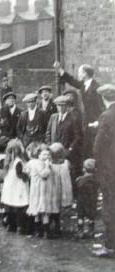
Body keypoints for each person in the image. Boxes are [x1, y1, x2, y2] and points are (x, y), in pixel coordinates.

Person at [54, 61, 104, 158]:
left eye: (80, 72)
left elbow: (101, 107)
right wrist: (60, 69)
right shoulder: (83, 84)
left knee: (94, 146)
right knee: (86, 146)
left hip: (94, 123)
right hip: (85, 122)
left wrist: (98, 122)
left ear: (85, 73)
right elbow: (72, 80)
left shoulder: (96, 87)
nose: (78, 74)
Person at [92, 84, 115, 257]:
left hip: (110, 170)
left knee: (109, 206)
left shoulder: (106, 116)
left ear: (103, 98)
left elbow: (97, 147)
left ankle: (110, 246)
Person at [45, 95, 83, 183]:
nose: (60, 108)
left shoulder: (74, 119)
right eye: (58, 105)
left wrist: (70, 149)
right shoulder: (53, 117)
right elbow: (48, 133)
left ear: (67, 106)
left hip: (66, 152)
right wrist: (49, 146)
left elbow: (78, 137)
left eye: (63, 105)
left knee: (66, 175)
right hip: (53, 152)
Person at [1, 139, 29, 234]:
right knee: (20, 206)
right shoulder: (19, 161)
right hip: (18, 186)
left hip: (9, 187)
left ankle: (10, 224)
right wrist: (26, 176)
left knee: (10, 205)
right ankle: (19, 226)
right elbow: (19, 174)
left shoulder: (8, 162)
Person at [25, 144, 53, 238]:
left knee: (39, 210)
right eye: (44, 154)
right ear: (39, 155)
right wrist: (48, 166)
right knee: (42, 210)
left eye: (48, 155)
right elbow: (44, 175)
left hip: (41, 190)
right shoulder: (40, 164)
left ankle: (40, 230)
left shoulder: (33, 163)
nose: (47, 157)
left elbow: (27, 171)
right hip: (40, 190)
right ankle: (44, 231)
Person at [49, 142, 73, 237]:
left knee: (53, 207)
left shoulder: (49, 164)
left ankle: (53, 224)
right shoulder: (66, 163)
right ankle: (57, 226)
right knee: (59, 208)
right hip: (63, 190)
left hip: (53, 189)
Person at [75, 158, 98, 239]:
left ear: (83, 169)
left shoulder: (79, 179)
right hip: (92, 201)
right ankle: (91, 230)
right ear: (95, 169)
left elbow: (76, 189)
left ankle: (80, 231)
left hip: (81, 201)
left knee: (80, 216)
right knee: (91, 216)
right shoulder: (96, 180)